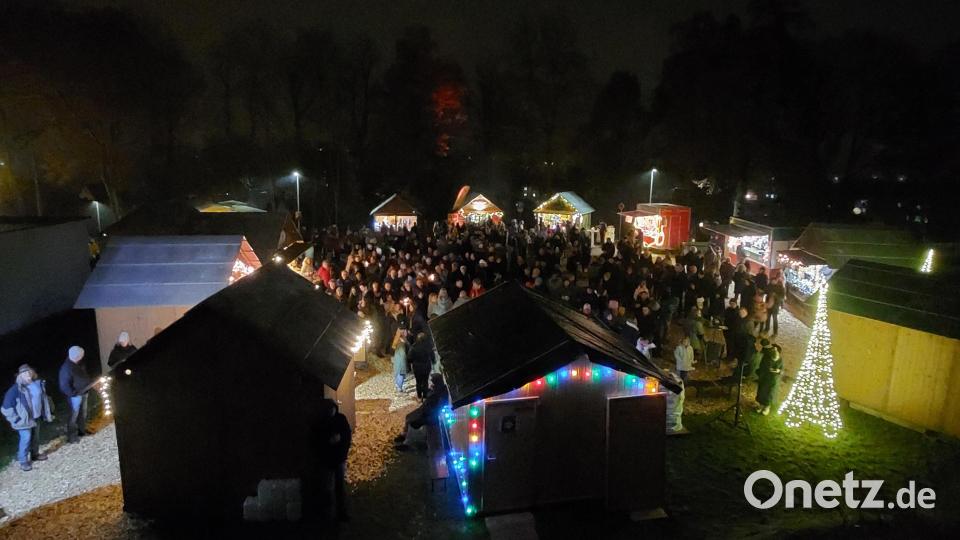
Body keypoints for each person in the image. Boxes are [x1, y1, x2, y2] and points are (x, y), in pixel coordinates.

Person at [2, 365, 53, 471]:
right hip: (24, 420)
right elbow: (5, 407)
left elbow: (42, 398)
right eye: (24, 374)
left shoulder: (37, 383)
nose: (28, 375)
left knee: (35, 438)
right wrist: (16, 419)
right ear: (20, 376)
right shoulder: (16, 389)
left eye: (29, 372)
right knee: (26, 439)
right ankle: (23, 461)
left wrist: (47, 411)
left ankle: (35, 454)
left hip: (36, 417)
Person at [310, 399, 352, 522]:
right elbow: (314, 441)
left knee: (339, 488)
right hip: (327, 461)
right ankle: (329, 514)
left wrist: (341, 443)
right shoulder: (320, 423)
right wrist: (328, 442)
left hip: (338, 459)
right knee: (328, 489)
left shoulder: (340, 419)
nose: (331, 412)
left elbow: (347, 436)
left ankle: (340, 513)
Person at [394, 373, 448, 450]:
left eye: (431, 381)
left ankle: (408, 442)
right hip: (427, 412)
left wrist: (421, 412)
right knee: (408, 416)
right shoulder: (438, 390)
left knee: (411, 420)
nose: (429, 383)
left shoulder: (436, 393)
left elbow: (429, 407)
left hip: (431, 415)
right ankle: (404, 435)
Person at [59, 345, 91, 443]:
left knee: (83, 413)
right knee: (73, 415)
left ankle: (82, 431)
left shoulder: (78, 363)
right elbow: (64, 385)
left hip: (84, 392)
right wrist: (73, 394)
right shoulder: (66, 368)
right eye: (81, 355)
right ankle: (72, 437)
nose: (82, 357)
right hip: (75, 396)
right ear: (76, 356)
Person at [755, 343, 783, 415]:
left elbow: (781, 369)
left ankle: (767, 406)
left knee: (769, 393)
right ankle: (761, 405)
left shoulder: (780, 360)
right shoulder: (766, 357)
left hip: (773, 380)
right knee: (762, 391)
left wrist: (778, 371)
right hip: (765, 378)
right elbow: (762, 366)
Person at [409, 332, 434, 400]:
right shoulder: (428, 346)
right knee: (425, 381)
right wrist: (433, 362)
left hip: (417, 367)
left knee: (418, 382)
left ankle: (419, 396)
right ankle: (425, 396)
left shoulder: (414, 346)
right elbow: (432, 356)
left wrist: (412, 363)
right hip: (426, 366)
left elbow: (409, 358)